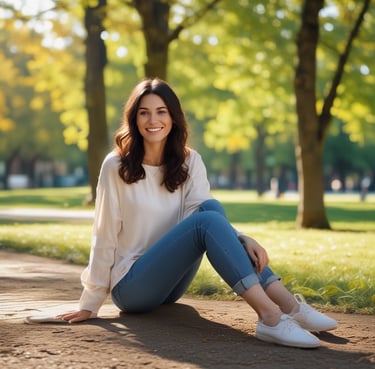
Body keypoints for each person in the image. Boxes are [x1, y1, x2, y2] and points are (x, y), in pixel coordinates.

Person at [47, 78, 337, 347]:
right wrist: (91, 301)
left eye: (161, 112)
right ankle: (272, 316)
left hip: (171, 286)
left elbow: (205, 214)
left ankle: (293, 309)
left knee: (209, 208)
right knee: (208, 218)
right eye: (144, 113)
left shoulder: (189, 161)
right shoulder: (116, 166)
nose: (153, 120)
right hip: (132, 287)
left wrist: (241, 237)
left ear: (173, 117)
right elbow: (104, 233)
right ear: (134, 119)